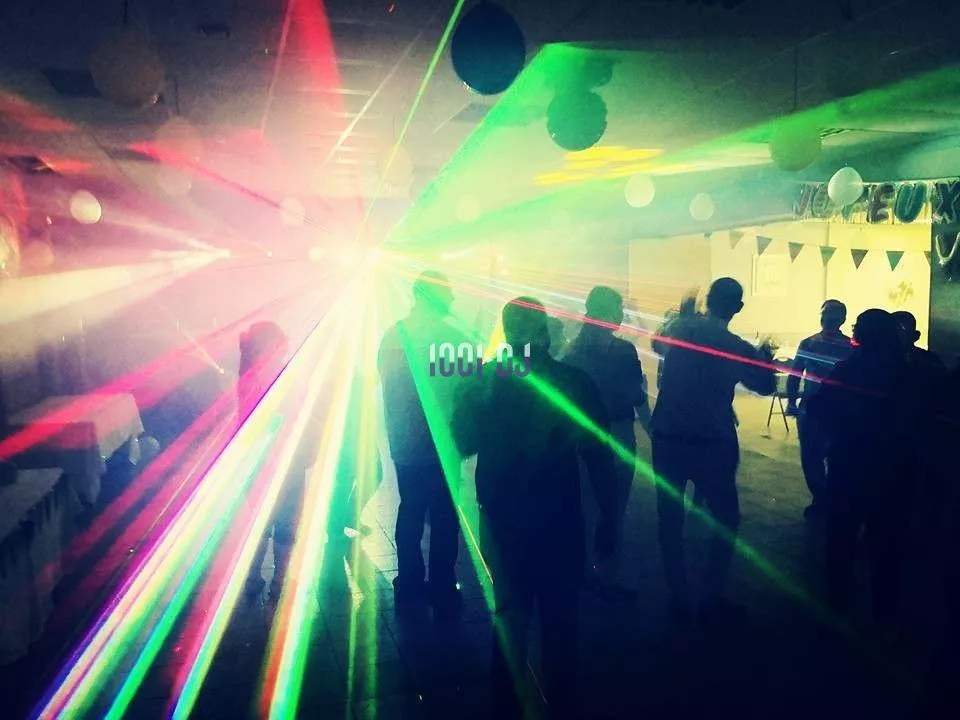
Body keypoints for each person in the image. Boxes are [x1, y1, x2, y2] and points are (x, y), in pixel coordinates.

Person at [452, 296, 615, 719]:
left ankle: (507, 707)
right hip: (559, 517)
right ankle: (561, 705)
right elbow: (600, 452)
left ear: (506, 333)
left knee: (509, 617)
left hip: (503, 518)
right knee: (560, 621)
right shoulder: (572, 381)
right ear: (544, 330)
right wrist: (610, 516)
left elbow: (461, 443)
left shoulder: (486, 380)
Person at [650, 278, 776, 626]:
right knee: (726, 519)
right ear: (738, 307)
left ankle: (679, 597)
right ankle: (710, 597)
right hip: (711, 442)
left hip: (668, 438)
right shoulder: (735, 346)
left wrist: (680, 318)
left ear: (708, 300)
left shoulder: (682, 331)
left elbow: (657, 344)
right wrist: (765, 355)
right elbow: (765, 386)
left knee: (669, 520)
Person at [806, 309, 922, 635]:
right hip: (895, 469)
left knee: (841, 539)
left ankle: (836, 607)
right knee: (888, 545)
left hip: (849, 465)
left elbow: (818, 408)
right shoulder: (911, 374)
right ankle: (884, 615)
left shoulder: (847, 370)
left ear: (861, 336)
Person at [378, 271, 468, 613]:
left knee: (411, 511)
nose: (453, 299)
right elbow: (468, 386)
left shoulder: (393, 335)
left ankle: (410, 582)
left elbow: (389, 386)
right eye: (448, 294)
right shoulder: (451, 338)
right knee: (444, 516)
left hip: (405, 443)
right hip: (443, 446)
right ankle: (442, 585)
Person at [563, 286, 650, 602]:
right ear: (610, 313)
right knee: (613, 509)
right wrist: (652, 426)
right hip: (617, 433)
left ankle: (582, 573)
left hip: (582, 437)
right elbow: (636, 395)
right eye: (619, 309)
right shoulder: (622, 351)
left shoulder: (572, 351)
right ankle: (606, 577)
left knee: (585, 507)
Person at [237, 322, 300, 600]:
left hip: (256, 461)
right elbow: (291, 413)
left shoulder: (246, 374)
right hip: (285, 459)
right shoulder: (279, 374)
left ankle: (253, 579)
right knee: (285, 525)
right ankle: (279, 582)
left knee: (260, 524)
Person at [786, 300, 854, 519]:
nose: (826, 319)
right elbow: (795, 375)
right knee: (825, 456)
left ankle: (823, 498)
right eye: (826, 314)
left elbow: (795, 375)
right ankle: (827, 498)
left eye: (830, 315)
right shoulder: (849, 347)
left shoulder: (810, 343)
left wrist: (792, 402)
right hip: (828, 409)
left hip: (819, 409)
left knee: (813, 457)